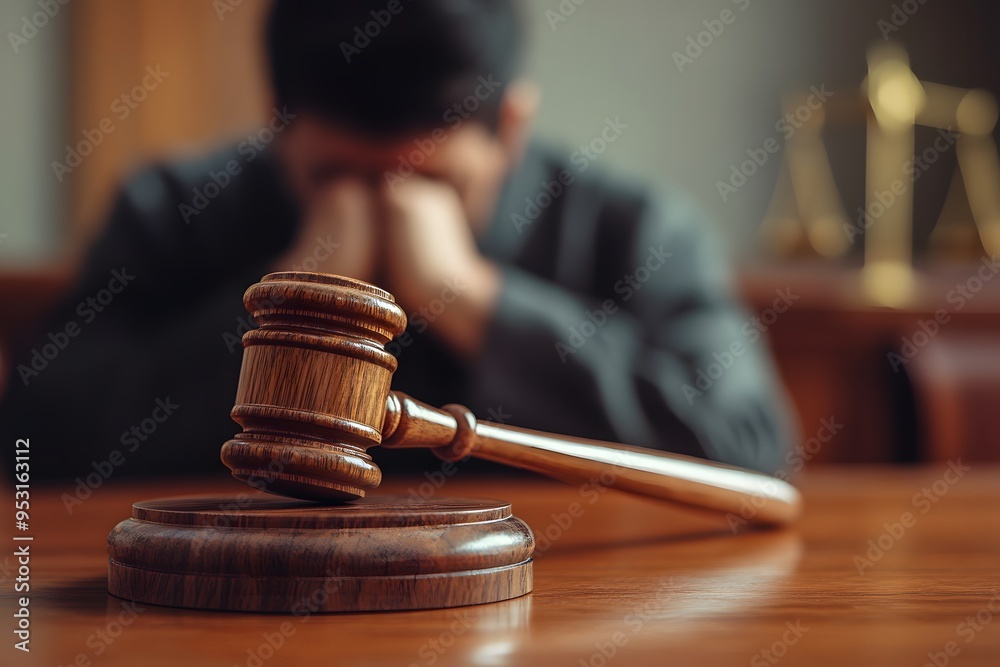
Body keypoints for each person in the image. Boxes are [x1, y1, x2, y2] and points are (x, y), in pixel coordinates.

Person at [0, 0, 794, 482]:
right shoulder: (172, 209)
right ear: (278, 125)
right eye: (338, 176)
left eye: (434, 182)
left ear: (510, 127)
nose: (386, 205)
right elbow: (29, 448)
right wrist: (294, 303)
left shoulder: (634, 228)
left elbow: (752, 447)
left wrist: (475, 299)